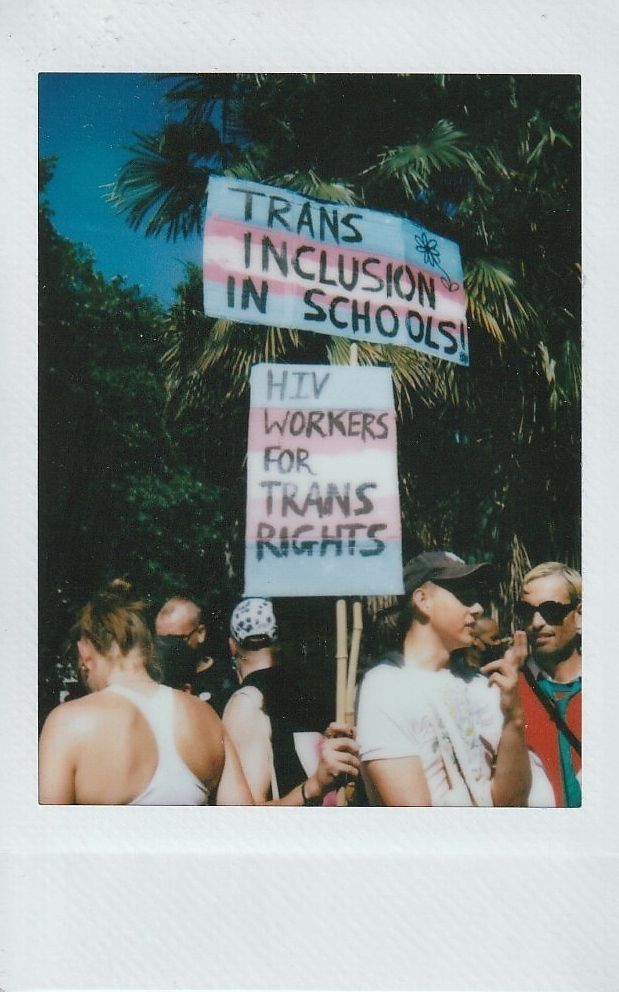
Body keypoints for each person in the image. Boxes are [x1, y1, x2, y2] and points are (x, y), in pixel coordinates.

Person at [39, 579, 253, 805]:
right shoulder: (206, 717)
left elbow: (47, 833)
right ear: (148, 646)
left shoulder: (68, 723)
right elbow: (244, 825)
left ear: (85, 651)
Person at [356, 551, 532, 806]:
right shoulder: (385, 686)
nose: (478, 608)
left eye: (477, 597)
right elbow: (413, 819)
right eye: (464, 596)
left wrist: (514, 718)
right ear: (423, 600)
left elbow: (512, 802)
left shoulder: (482, 686)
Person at [222, 597, 360, 805]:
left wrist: (312, 788)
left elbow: (242, 818)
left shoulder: (246, 704)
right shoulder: (307, 691)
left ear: (232, 646)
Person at [517, 562, 582, 807]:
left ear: (580, 615)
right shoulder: (509, 689)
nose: (536, 622)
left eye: (551, 610)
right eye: (526, 611)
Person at [154, 595, 236, 715]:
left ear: (200, 633)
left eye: (176, 640)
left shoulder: (225, 681)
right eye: (161, 640)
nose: (168, 646)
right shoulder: (154, 676)